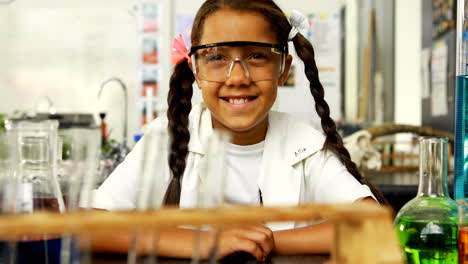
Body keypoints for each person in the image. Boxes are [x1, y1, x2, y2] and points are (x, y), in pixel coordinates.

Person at [90, 0, 387, 261]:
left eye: (256, 56)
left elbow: (372, 225)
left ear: (283, 68)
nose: (237, 78)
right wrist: (206, 242)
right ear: (195, 68)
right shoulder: (167, 135)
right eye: (217, 57)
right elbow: (90, 227)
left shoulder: (305, 143)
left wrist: (260, 243)